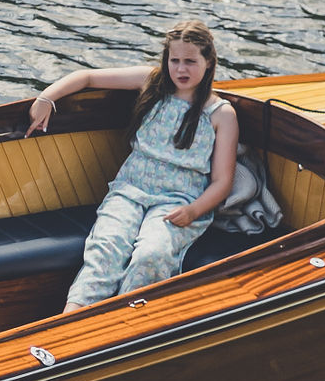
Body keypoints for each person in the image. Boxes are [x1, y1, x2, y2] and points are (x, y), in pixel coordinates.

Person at [30, 17, 242, 310]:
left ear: (208, 62)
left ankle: (123, 322)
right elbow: (88, 77)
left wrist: (194, 210)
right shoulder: (151, 83)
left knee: (151, 255)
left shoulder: (221, 114)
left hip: (177, 202)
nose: (181, 69)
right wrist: (47, 97)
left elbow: (223, 181)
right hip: (130, 190)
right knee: (106, 247)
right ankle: (73, 317)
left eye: (191, 61)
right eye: (175, 60)